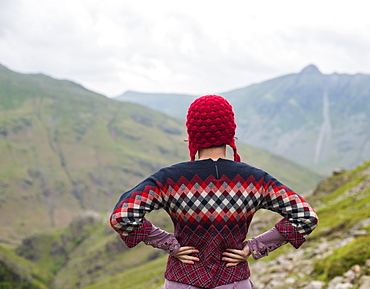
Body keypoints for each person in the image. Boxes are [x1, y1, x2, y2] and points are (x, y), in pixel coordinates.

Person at [110, 95, 319, 289]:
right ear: (230, 134)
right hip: (234, 281)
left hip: (182, 281)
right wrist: (254, 247)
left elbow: (122, 216)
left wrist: (170, 245)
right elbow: (306, 217)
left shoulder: (169, 179)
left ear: (192, 135)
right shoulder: (255, 180)